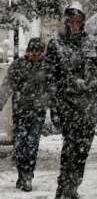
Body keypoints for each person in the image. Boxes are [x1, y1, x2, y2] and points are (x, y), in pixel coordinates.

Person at [45, 2, 97, 199]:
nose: (75, 25)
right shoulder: (56, 44)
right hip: (68, 104)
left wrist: (94, 80)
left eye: (78, 21)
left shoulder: (92, 43)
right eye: (71, 21)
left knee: (83, 149)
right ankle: (64, 187)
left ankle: (74, 186)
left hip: (89, 105)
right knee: (70, 147)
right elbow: (51, 76)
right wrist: (54, 105)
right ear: (66, 22)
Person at [0, 38, 47, 192]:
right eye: (32, 51)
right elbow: (7, 85)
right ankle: (22, 174)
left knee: (32, 145)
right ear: (27, 51)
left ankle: (28, 175)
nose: (35, 55)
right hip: (20, 111)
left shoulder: (46, 67)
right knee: (20, 145)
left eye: (38, 52)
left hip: (38, 111)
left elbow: (52, 88)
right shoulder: (18, 65)